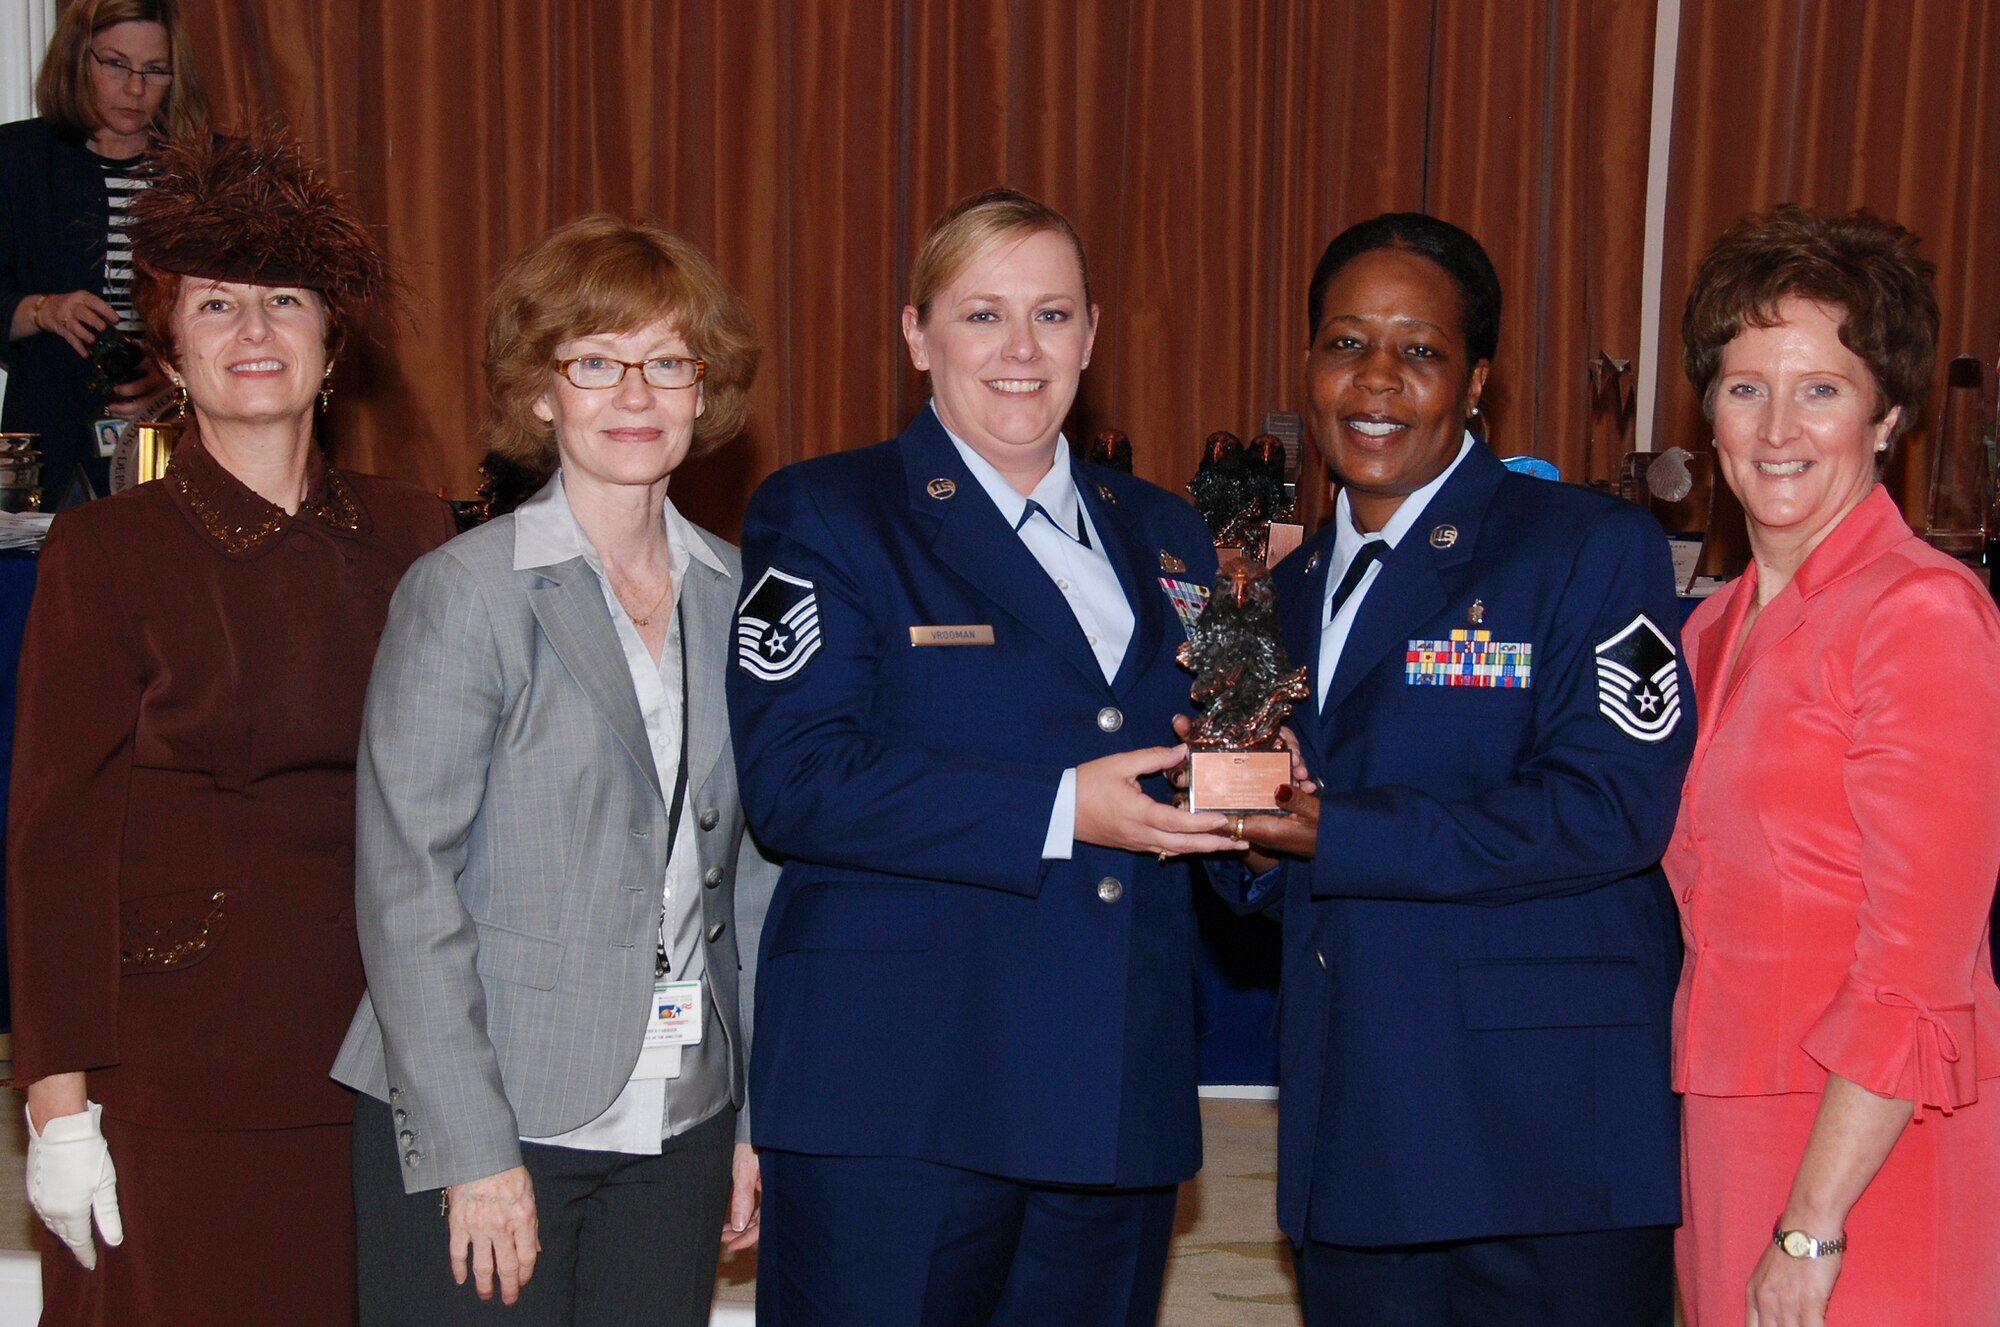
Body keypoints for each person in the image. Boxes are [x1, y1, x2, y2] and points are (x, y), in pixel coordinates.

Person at [726, 187, 1239, 1326]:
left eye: (1051, 316)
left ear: (1091, 336)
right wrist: (1061, 808)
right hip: (901, 1095)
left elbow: (1194, 755)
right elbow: (795, 781)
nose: (1020, 351)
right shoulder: (827, 512)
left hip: (1109, 1094)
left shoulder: (1169, 531)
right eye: (980, 315)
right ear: (916, 335)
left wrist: (1258, 794)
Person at [4, 128, 455, 1325]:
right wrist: (55, 1108)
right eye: (216, 305)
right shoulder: (108, 549)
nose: (254, 333)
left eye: (285, 301)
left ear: (330, 341)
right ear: (173, 349)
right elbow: (53, 845)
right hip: (171, 1075)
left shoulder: (419, 534)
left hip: (384, 1062)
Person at [1215, 213, 1692, 1326]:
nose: (1374, 380)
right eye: (1343, 343)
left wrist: (1337, 827)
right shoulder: (1271, 600)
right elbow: (1268, 872)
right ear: (1305, 366)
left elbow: (1610, 810)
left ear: (1475, 380)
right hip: (1354, 1142)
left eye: (1418, 350)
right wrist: (1230, 828)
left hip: (1541, 1152)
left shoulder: (1583, 546)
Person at [332, 214, 780, 1324]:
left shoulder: (742, 594)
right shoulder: (465, 594)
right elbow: (405, 887)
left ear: (702, 392)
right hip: (494, 1111)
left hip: (681, 1116)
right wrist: (470, 1154)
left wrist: (749, 1117)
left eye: (667, 362)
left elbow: (761, 878)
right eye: (595, 361)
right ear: (542, 392)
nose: (635, 394)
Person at [1670, 205, 2000, 1327]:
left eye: (1819, 388)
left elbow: (1917, 962)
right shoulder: (1709, 629)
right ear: (1707, 407)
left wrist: (1810, 1223)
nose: (1775, 426)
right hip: (1726, 1128)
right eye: (1743, 384)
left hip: (1868, 1148)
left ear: (1887, 414)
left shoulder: (1919, 613)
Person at [0, 0, 207, 503]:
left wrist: (174, 375)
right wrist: (43, 310)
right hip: (47, 444)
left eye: (155, 71)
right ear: (76, 59)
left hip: (179, 441)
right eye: (115, 64)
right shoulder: (15, 159)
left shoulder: (210, 170)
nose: (135, 88)